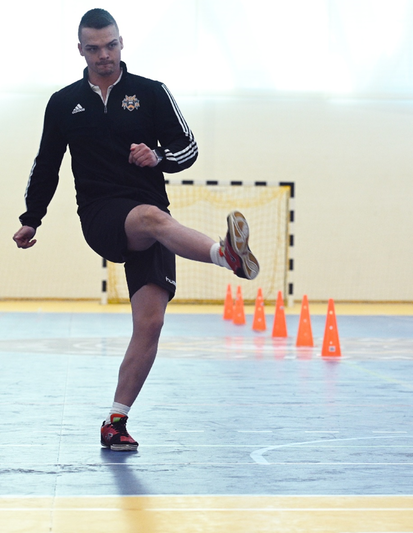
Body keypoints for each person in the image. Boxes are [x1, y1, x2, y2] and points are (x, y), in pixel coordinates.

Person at [12, 8, 259, 451]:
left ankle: (116, 422)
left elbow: (188, 147)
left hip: (154, 218)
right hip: (102, 213)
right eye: (94, 48)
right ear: (80, 50)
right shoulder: (64, 102)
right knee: (151, 219)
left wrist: (158, 156)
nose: (103, 55)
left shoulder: (150, 92)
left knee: (150, 323)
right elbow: (46, 164)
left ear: (121, 42)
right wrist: (32, 218)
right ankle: (225, 256)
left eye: (110, 45)